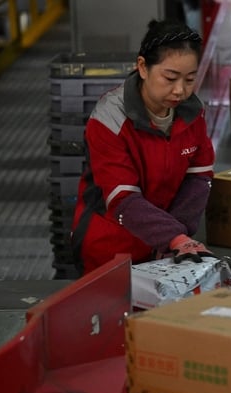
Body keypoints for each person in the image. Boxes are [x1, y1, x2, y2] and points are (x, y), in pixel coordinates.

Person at [71, 19, 215, 275]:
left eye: (190, 79)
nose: (180, 90)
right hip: (112, 248)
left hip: (167, 247)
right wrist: (174, 237)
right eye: (170, 77)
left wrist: (175, 237)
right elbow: (122, 199)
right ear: (143, 67)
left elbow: (199, 178)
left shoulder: (193, 112)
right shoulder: (109, 120)